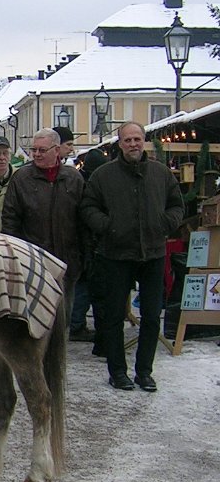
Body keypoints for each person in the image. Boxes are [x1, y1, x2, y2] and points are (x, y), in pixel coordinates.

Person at [80, 122, 184, 392]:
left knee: (151, 315)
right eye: (128, 140)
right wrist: (107, 227)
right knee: (113, 316)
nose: (133, 144)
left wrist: (164, 223)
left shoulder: (161, 174)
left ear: (144, 141)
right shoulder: (103, 176)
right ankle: (118, 371)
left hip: (152, 253)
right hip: (115, 255)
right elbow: (88, 207)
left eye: (137, 139)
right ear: (120, 143)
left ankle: (144, 371)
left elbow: (176, 204)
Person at [2, 128, 85, 322]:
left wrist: (83, 259)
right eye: (34, 150)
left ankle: (59, 353)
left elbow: (83, 221)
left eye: (42, 150)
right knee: (35, 320)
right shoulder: (22, 178)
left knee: (62, 319)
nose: (36, 154)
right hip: (33, 263)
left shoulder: (73, 179)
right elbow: (10, 220)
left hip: (67, 263)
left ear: (56, 150)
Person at [69, 148, 109, 344]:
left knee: (82, 287)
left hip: (83, 242)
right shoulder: (88, 184)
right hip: (85, 242)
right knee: (84, 288)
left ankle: (77, 324)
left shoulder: (79, 180)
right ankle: (76, 325)